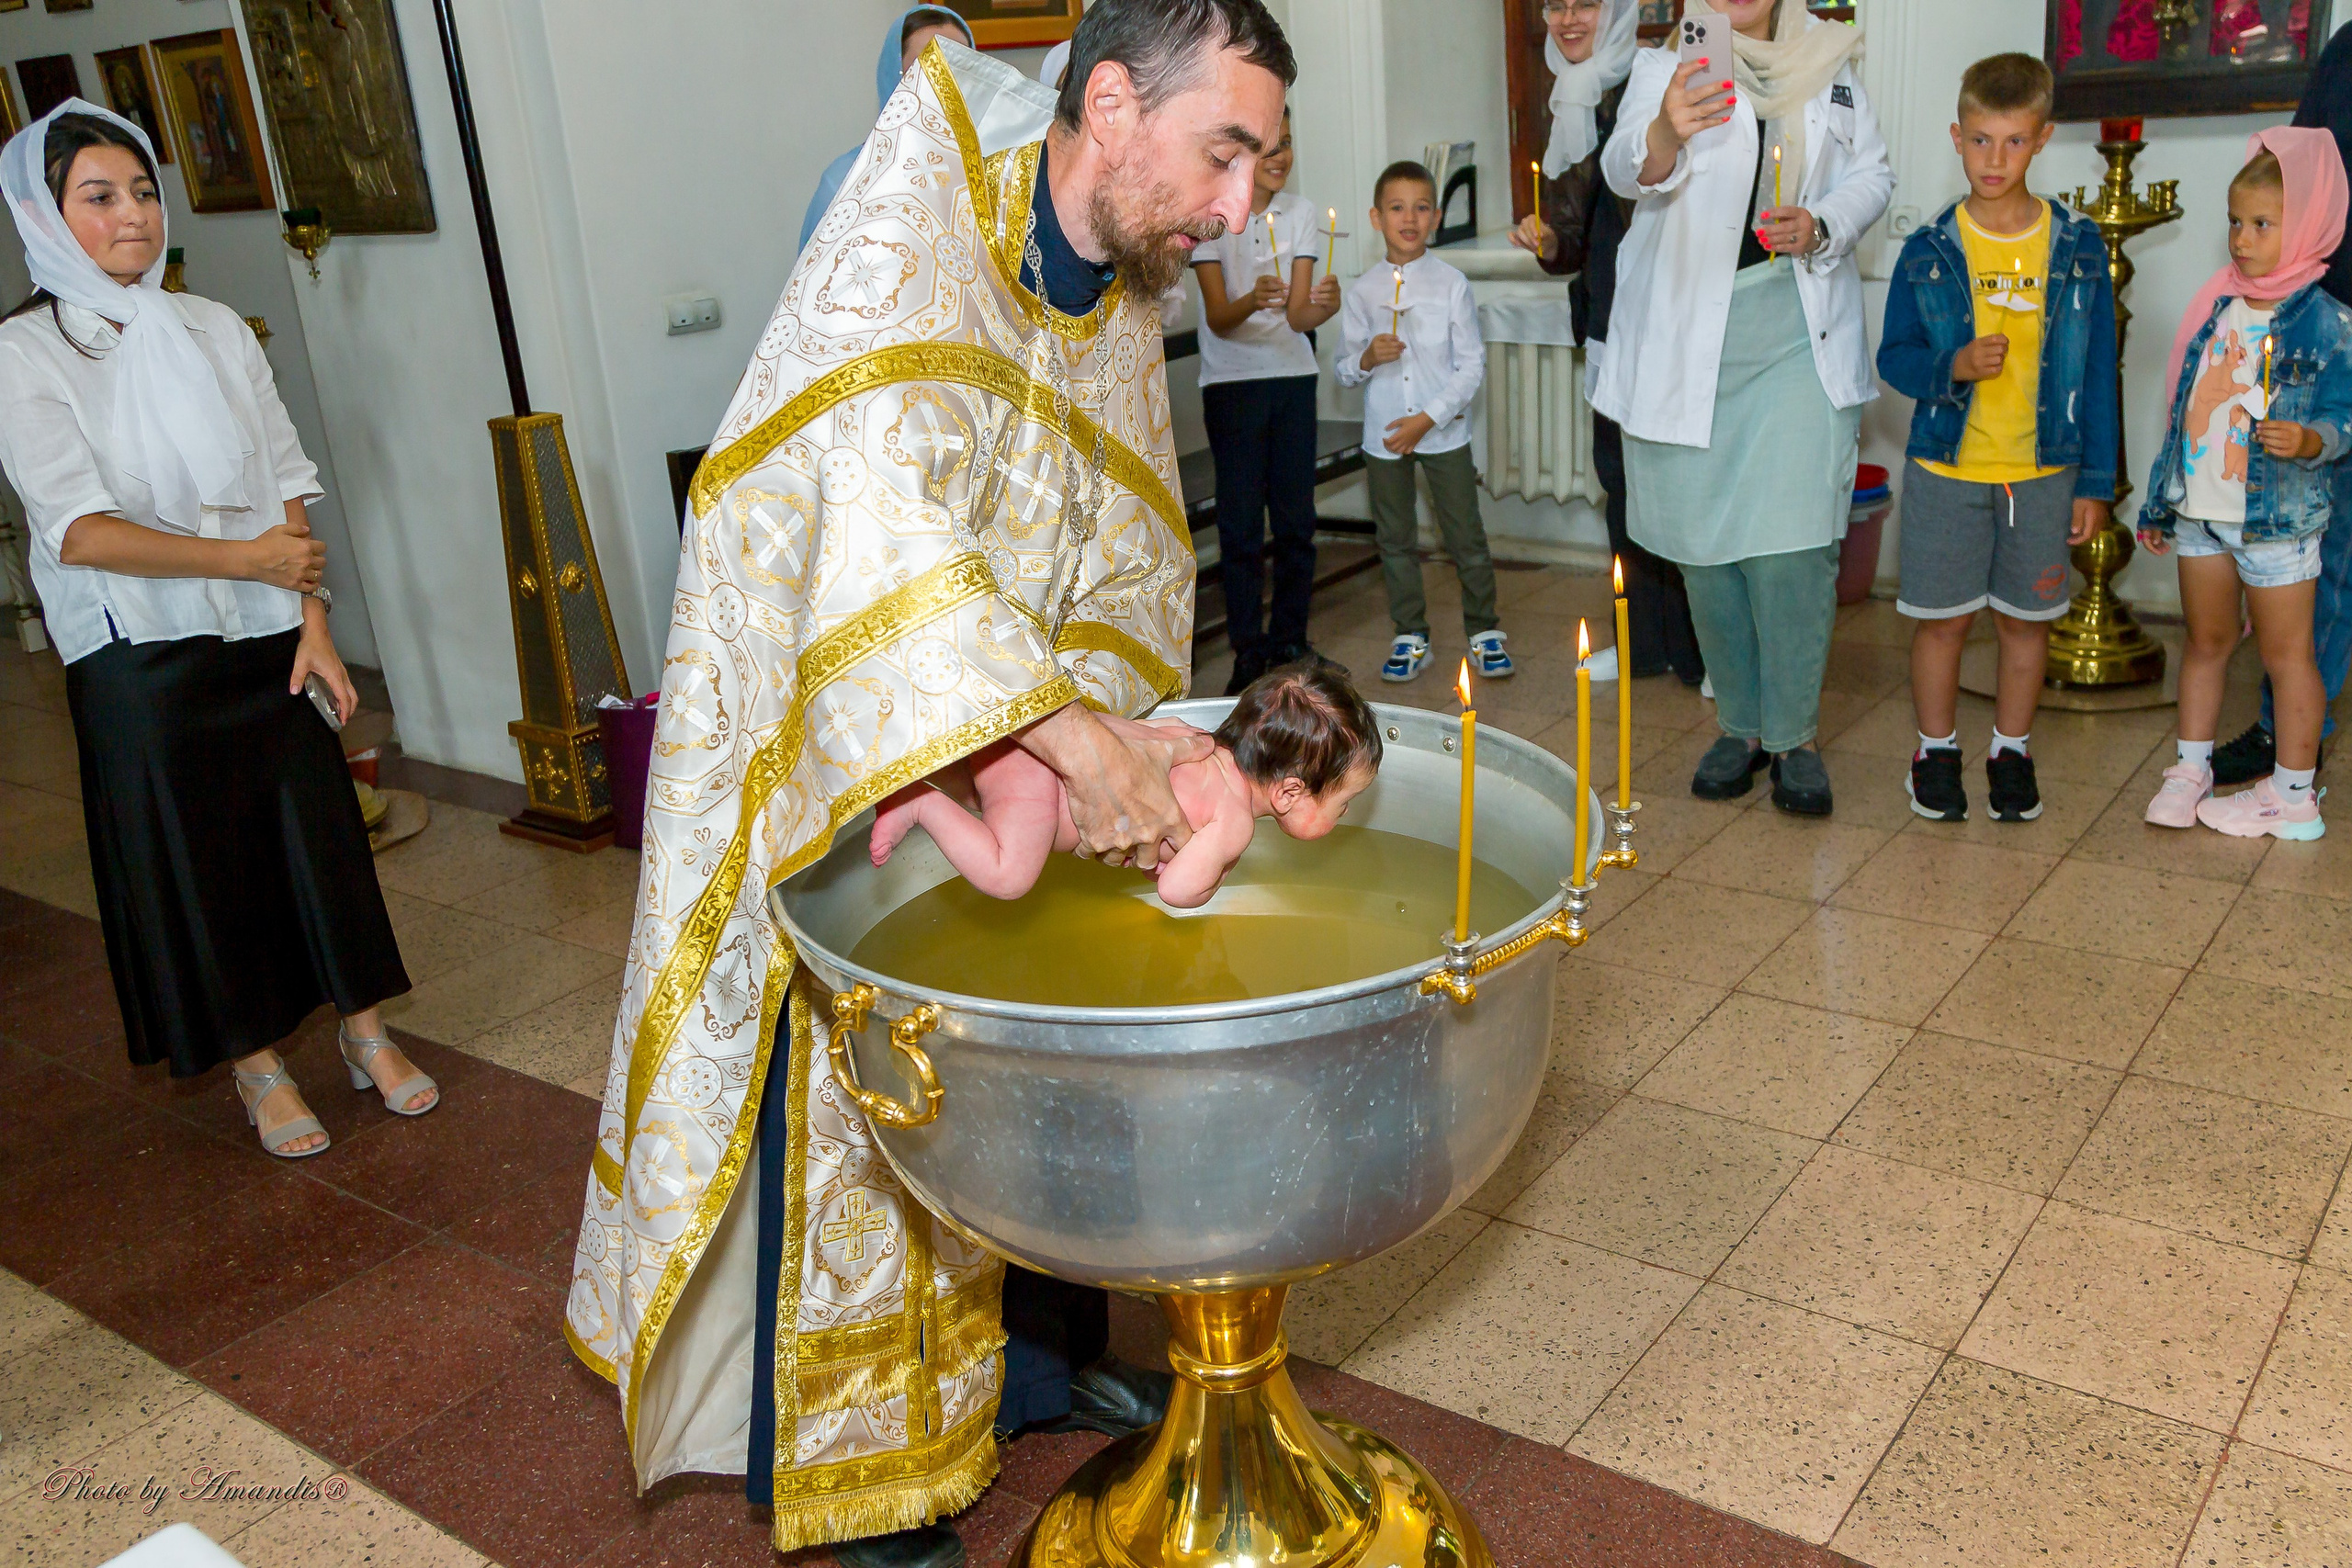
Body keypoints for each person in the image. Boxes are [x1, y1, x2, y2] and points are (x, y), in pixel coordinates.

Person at [565, 6, 1293, 1565]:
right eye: (1224, 153)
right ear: (1110, 104)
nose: (1240, 210)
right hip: (848, 733)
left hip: (1009, 729)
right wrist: (1061, 732)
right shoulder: (915, 214)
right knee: (856, 1112)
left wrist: (1100, 722)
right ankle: (854, 1486)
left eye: (1260, 166)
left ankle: (1025, 1370)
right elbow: (871, 509)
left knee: (1029, 1062)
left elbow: (1126, 531)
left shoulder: (1113, 272)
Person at [0, 103, 429, 1158]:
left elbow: (286, 488)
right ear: (46, 217)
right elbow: (83, 531)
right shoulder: (27, 354)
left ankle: (365, 1032)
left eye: (143, 191)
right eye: (99, 197)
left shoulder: (212, 327)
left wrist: (312, 622)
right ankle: (259, 1067)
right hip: (139, 655)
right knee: (203, 866)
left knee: (318, 838)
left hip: (265, 633)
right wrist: (245, 564)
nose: (132, 215)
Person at [1597, 0, 1892, 816]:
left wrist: (1824, 221)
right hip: (1693, 337)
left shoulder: (1829, 65)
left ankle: (1794, 736)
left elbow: (1875, 174)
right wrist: (1666, 131)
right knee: (1707, 548)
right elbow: (1625, 169)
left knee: (1794, 550)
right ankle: (1741, 726)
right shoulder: (1666, 66)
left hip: (1798, 330)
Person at [1876, 54, 2117, 824]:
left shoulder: (2077, 248)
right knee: (1942, 621)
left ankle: (2010, 749)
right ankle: (1935, 750)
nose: (1995, 160)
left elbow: (2102, 375)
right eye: (1980, 141)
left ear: (2043, 139)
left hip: (2044, 471)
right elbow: (1895, 357)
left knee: (2024, 623)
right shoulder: (1929, 249)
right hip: (1949, 467)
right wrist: (1952, 364)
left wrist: (2094, 483)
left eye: (2014, 142)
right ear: (1956, 135)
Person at [2138, 130, 2352, 840]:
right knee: (2205, 642)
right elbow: (2183, 411)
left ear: (2310, 224)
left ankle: (2292, 795)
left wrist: (2314, 439)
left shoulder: (2326, 323)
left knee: (2288, 654)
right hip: (2203, 512)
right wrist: (2161, 501)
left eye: (2262, 224)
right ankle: (2190, 767)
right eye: (2235, 221)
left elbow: (2344, 416)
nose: (2241, 238)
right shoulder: (2219, 305)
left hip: (2278, 524)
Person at [1510, 0, 1702, 685]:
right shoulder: (1572, 96)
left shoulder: (1652, 84)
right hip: (1607, 322)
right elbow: (1577, 225)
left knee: (1680, 489)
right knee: (1622, 487)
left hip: (1671, 323)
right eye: (1554, 5)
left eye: (1584, 3)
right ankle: (1643, 644)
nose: (1566, 19)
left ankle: (1702, 652)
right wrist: (1549, 238)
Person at [870, 664, 1380, 904]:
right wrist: (1214, 875)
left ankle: (928, 776)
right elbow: (1177, 891)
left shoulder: (1192, 739)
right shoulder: (1234, 821)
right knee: (1008, 876)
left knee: (983, 799)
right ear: (1290, 791)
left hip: (1027, 738)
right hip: (1043, 779)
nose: (1347, 814)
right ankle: (920, 804)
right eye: (1344, 802)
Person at [2211, 24, 2352, 785]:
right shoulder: (2347, 50)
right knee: (2323, 556)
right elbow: (2295, 175)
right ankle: (2289, 735)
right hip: (2322, 329)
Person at [1337, 161, 1511, 684]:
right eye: (1396, 208)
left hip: (1443, 434)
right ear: (1376, 217)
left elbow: (1472, 365)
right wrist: (1367, 357)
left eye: (1420, 207)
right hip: (1384, 436)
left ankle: (1484, 631)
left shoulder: (1452, 283)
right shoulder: (1364, 290)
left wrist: (1427, 420)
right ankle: (1410, 633)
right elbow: (1345, 371)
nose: (1408, 218)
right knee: (1395, 538)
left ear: (1434, 217)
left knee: (1465, 537)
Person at [1193, 107, 1343, 694]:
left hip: (1291, 377)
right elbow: (1220, 319)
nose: (1282, 157)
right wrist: (1253, 297)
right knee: (1240, 529)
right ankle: (1248, 653)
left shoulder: (1301, 214)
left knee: (1296, 520)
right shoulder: (1213, 214)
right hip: (1231, 385)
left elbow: (1301, 314)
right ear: (1245, 153)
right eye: (1270, 147)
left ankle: (1291, 641)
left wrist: (1323, 306)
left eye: (1288, 144)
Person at [797, 6, 976, 253]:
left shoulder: (987, 183)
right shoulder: (843, 185)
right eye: (929, 68)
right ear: (894, 78)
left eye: (961, 69)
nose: (946, 84)